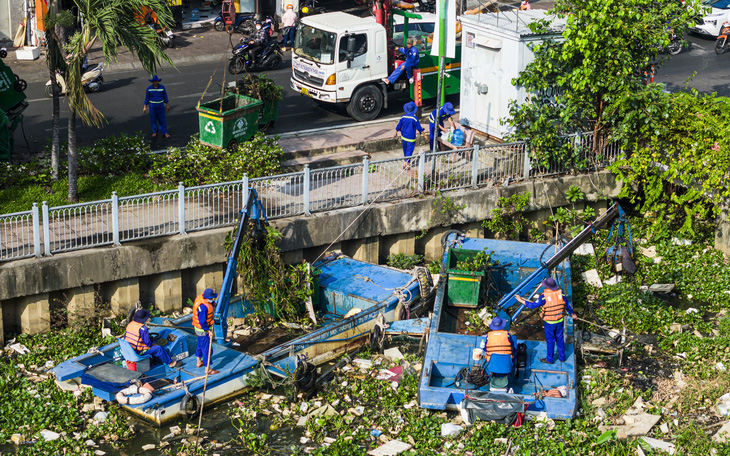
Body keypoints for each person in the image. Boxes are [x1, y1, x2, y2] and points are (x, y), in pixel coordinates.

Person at [514, 277, 576, 364]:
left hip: (550, 323)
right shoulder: (561, 294)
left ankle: (550, 359)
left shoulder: (543, 297)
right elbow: (568, 306)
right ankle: (562, 357)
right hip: (560, 321)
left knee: (550, 340)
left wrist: (520, 300)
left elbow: (532, 306)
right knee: (560, 339)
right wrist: (573, 314)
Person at [193, 288, 220, 375]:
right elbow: (202, 322)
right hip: (203, 330)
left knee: (200, 344)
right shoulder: (203, 308)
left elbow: (208, 302)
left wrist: (213, 304)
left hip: (197, 329)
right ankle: (207, 369)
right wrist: (209, 331)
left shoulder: (201, 298)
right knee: (207, 349)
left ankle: (198, 362)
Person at [393, 101, 424, 169]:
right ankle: (405, 163)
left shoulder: (403, 117)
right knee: (409, 150)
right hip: (411, 138)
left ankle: (408, 162)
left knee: (405, 150)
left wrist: (395, 132)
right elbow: (419, 128)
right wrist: (424, 135)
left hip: (404, 136)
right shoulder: (414, 119)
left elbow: (399, 126)